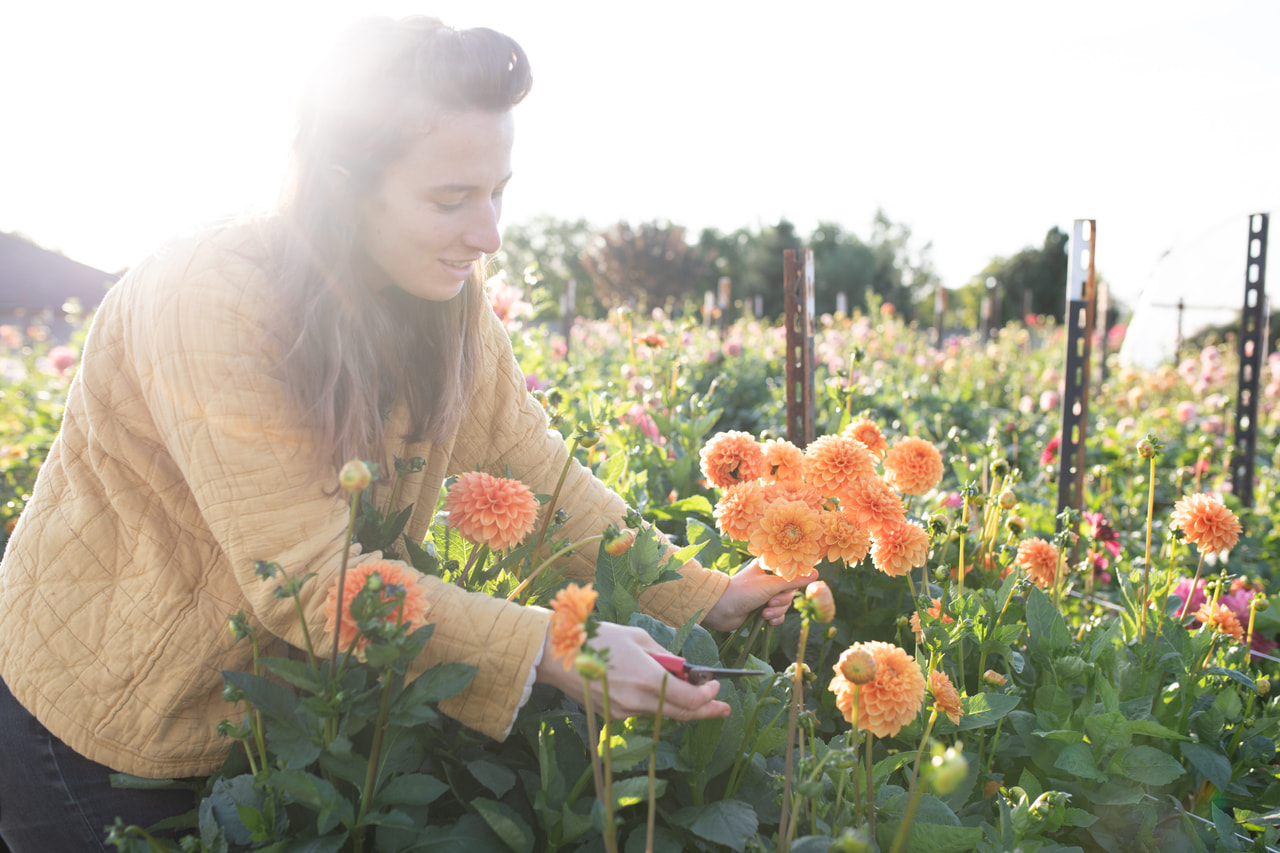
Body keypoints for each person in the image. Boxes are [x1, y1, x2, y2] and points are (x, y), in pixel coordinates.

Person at [0, 16, 814, 851]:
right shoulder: (208, 298)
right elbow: (310, 579)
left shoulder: (444, 296)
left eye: (498, 191)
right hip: (101, 723)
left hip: (270, 720)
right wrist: (555, 643)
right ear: (344, 188)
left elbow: (533, 468)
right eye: (451, 200)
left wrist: (702, 595)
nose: (488, 234)